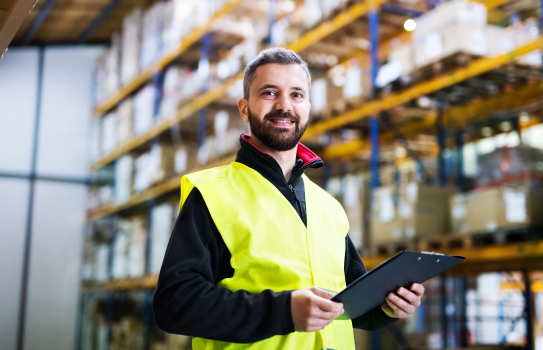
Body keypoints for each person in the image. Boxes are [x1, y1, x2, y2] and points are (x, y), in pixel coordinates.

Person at [153, 47, 425, 349]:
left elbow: (350, 305)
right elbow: (175, 305)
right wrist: (283, 312)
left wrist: (388, 306)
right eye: (269, 93)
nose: (284, 105)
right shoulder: (212, 194)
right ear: (244, 109)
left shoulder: (328, 207)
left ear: (308, 107)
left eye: (296, 95)